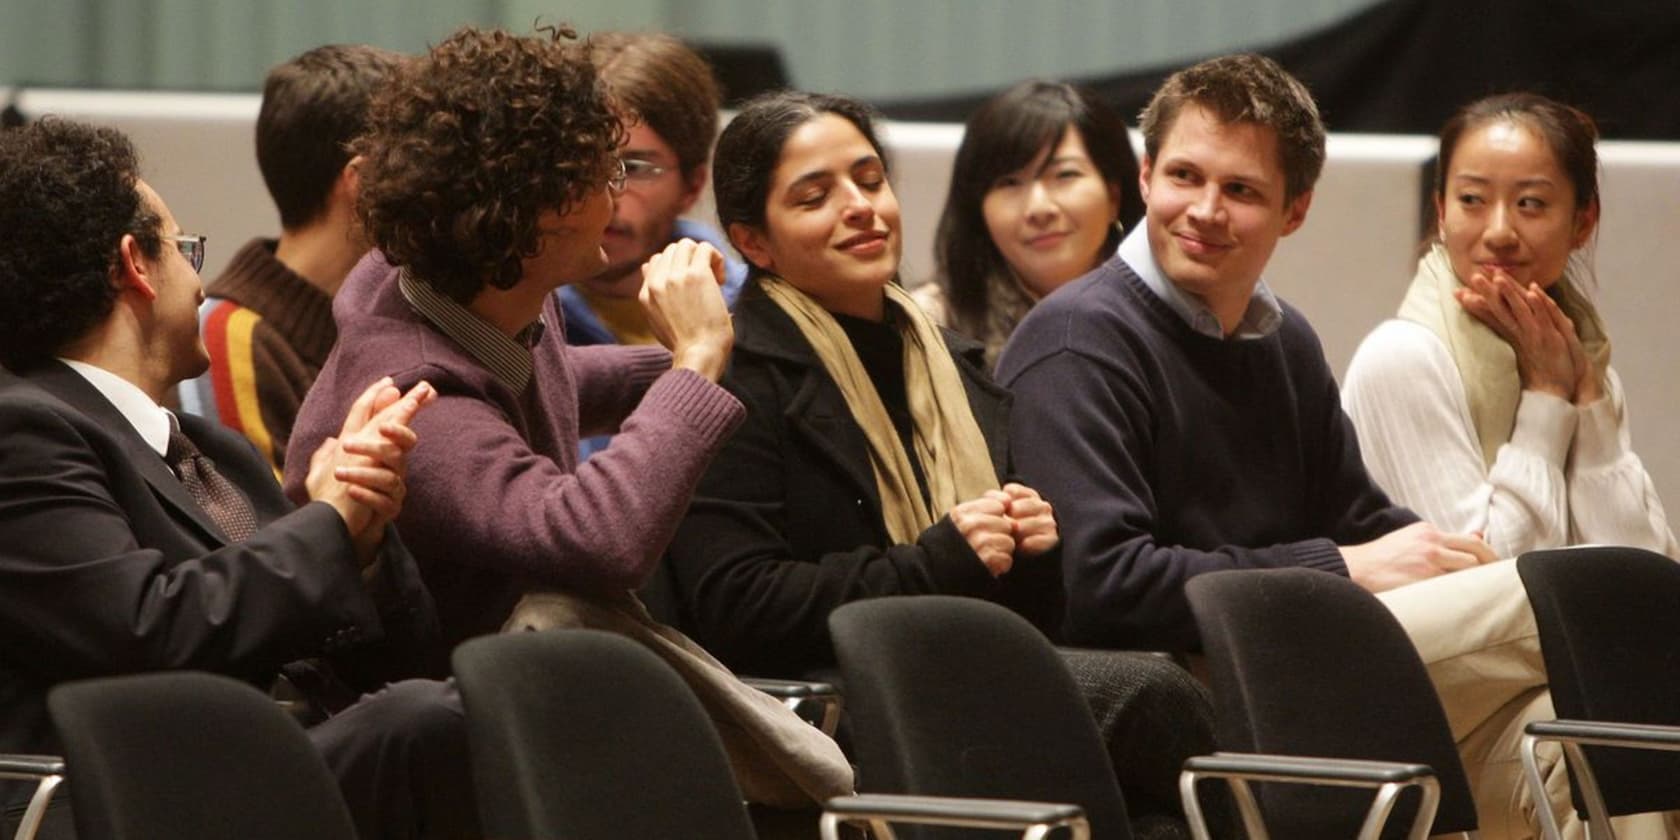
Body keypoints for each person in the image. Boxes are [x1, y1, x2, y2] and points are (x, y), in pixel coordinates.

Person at [997, 54, 1587, 838]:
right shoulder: (1078, 340)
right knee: (1567, 608)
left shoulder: (1285, 339)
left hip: (1298, 661)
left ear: (1296, 209)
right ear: (1144, 178)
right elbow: (1103, 586)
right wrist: (1343, 568)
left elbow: (1362, 516)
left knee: (1570, 746)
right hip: (1192, 684)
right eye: (1184, 176)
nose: (1204, 210)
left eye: (1240, 190)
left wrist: (1442, 557)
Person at [283, 26, 850, 810]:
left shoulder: (467, 284)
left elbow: (552, 379)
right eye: (603, 173)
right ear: (538, 213)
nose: (618, 196)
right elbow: (592, 542)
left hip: (524, 726)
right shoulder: (419, 396)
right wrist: (691, 360)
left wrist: (715, 358)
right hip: (440, 763)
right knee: (578, 618)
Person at [667, 90, 1217, 840]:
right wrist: (938, 560)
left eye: (869, 179)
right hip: (839, 702)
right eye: (814, 196)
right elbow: (739, 606)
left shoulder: (953, 364)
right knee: (1154, 694)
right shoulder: (738, 379)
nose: (861, 207)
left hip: (965, 670)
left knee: (1163, 826)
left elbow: (1028, 614)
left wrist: (1030, 551)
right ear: (754, 243)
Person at [0, 118, 473, 839]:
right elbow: (144, 630)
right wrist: (328, 525)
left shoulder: (216, 450)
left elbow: (384, 656)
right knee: (434, 723)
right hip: (147, 793)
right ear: (135, 265)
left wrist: (367, 538)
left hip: (275, 764)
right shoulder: (23, 432)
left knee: (484, 700)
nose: (200, 281)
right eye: (186, 251)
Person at [1342, 92, 1676, 560]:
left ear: (1583, 222)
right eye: (1472, 200)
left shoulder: (1582, 364)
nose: (1499, 231)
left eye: (1531, 203)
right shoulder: (1402, 358)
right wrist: (1545, 401)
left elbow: (1643, 573)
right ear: (1441, 212)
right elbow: (1492, 578)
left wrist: (1585, 401)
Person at [181, 44, 406, 470]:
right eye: (417, 164)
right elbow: (267, 529)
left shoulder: (381, 320)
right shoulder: (227, 340)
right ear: (362, 182)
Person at [561, 32, 748, 459]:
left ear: (693, 185)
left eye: (636, 167)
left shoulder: (746, 313)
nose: (606, 191)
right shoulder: (519, 312)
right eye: (583, 162)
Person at [921, 79, 1145, 367]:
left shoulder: (1168, 308)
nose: (1038, 208)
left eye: (1064, 175)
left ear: (1113, 196)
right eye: (1009, 182)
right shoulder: (930, 325)